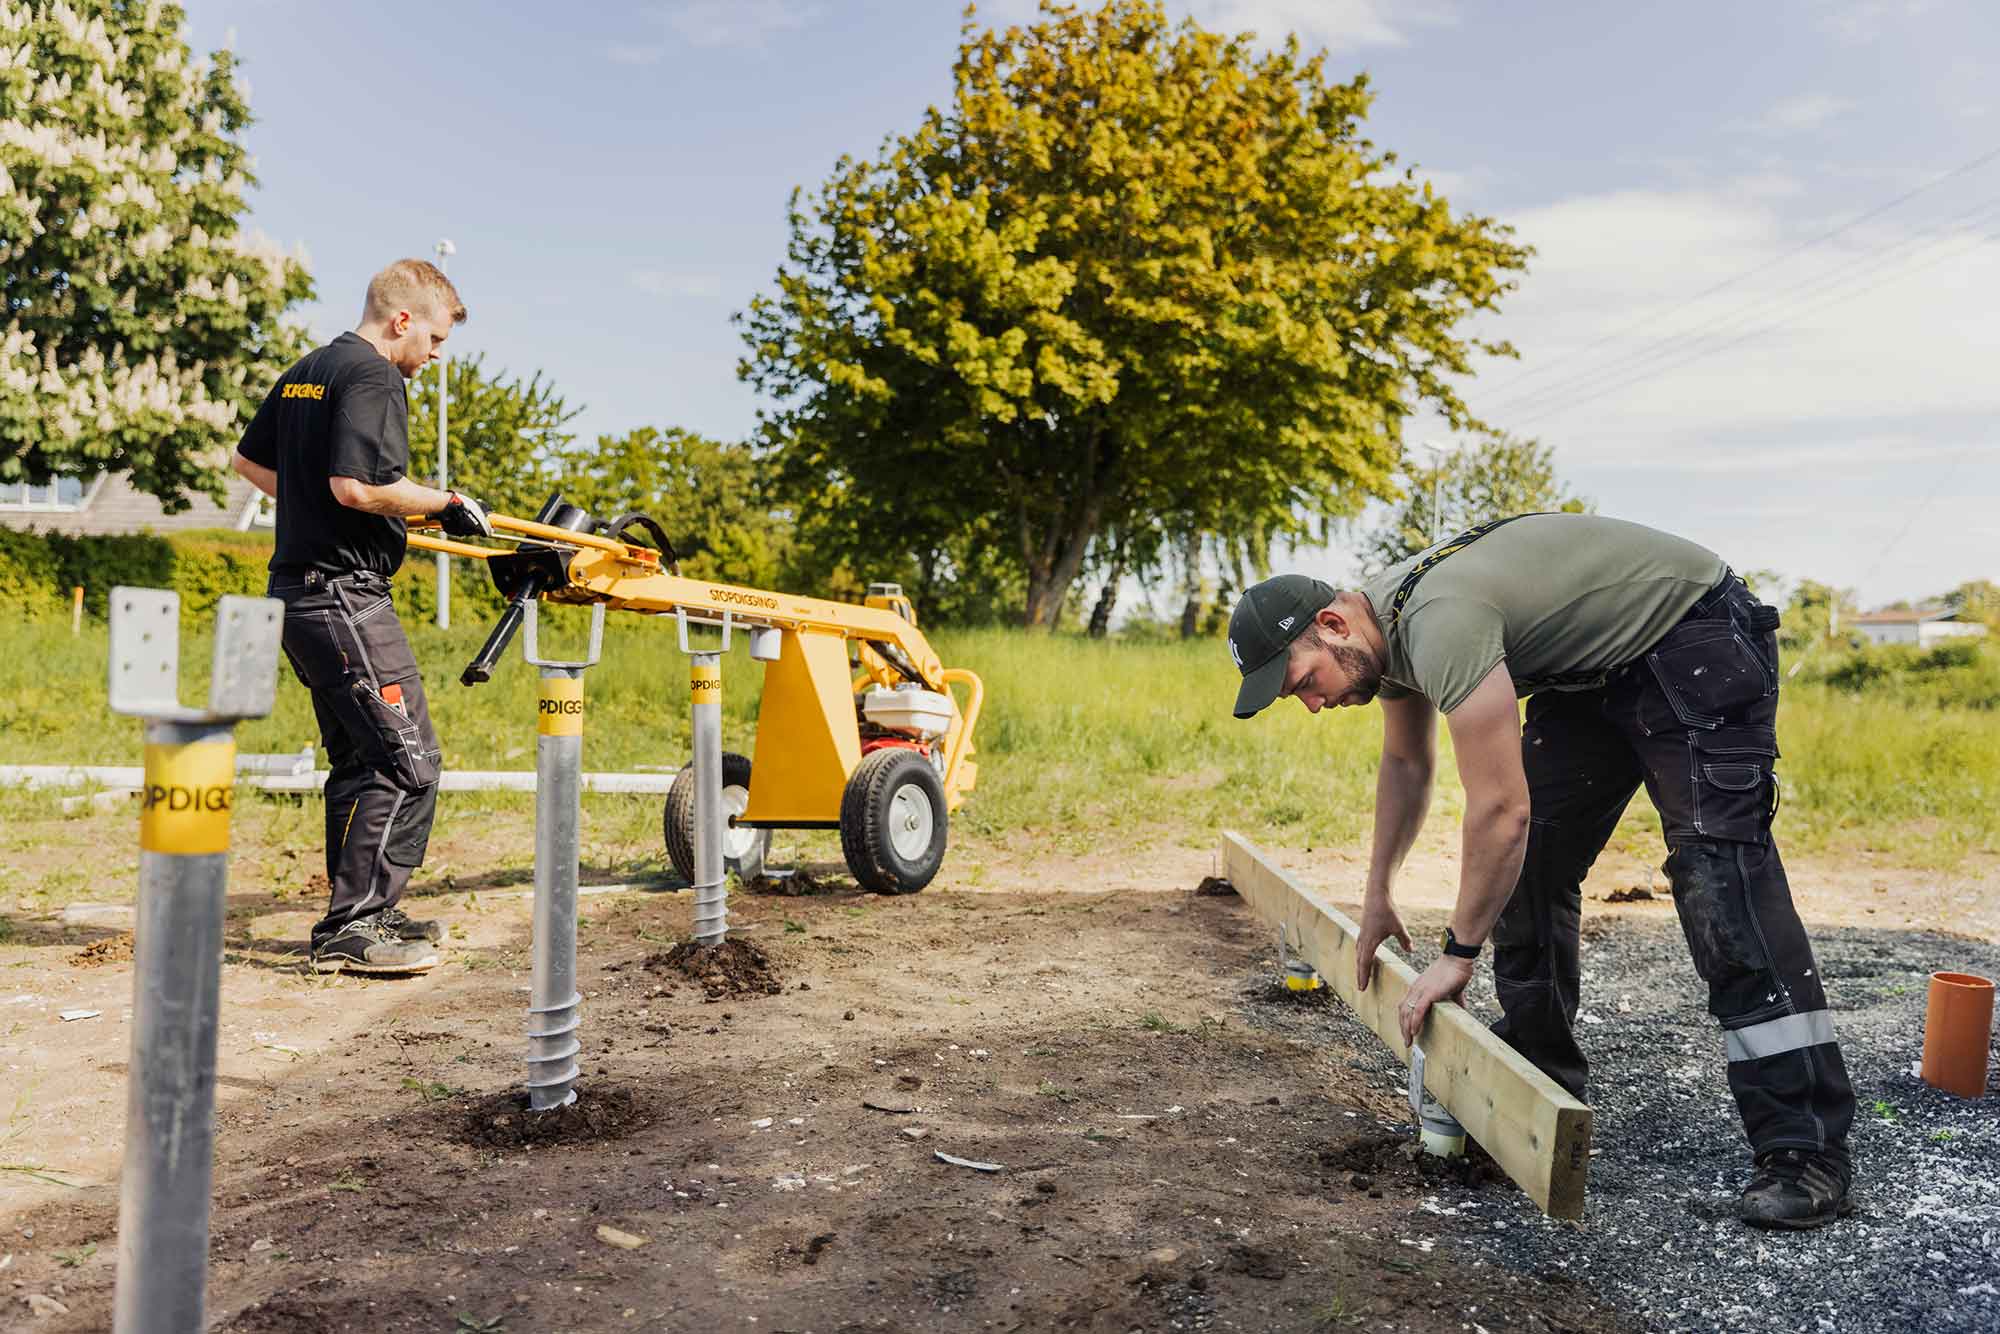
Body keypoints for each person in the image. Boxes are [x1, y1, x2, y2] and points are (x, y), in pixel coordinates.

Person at [1226, 512, 1857, 1229]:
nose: (1313, 705)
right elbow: (1406, 763)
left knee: (1719, 877)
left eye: (1304, 682)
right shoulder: (1383, 633)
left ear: (1334, 625)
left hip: (1693, 634)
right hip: (1595, 674)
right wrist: (1377, 894)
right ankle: (1536, 1083)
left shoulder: (1439, 621)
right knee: (1525, 870)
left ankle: (1805, 1148)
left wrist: (1458, 954)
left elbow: (1501, 811)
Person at [231, 258, 493, 976]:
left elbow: (249, 464)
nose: (434, 357)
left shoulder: (307, 369)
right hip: (344, 594)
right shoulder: (375, 376)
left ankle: (365, 912)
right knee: (410, 759)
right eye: (434, 340)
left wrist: (321, 502)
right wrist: (446, 503)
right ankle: (354, 924)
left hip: (298, 594)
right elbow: (356, 485)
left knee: (359, 758)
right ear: (402, 319)